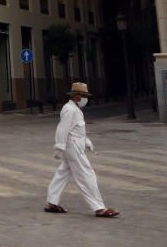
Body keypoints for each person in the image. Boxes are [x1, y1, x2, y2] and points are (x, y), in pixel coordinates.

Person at [44, 82, 119, 218]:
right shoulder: (69, 110)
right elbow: (62, 129)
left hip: (75, 146)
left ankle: (52, 202)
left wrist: (87, 142)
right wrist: (59, 147)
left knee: (63, 173)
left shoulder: (75, 109)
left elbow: (77, 131)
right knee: (86, 175)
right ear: (78, 97)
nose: (86, 99)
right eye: (85, 96)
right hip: (72, 148)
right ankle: (99, 208)